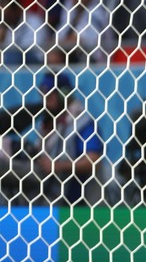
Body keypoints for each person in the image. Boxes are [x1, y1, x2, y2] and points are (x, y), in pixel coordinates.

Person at [24, 73, 103, 206]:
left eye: (49, 97)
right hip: (51, 201)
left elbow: (94, 161)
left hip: (81, 205)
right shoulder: (49, 124)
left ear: (63, 94)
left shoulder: (83, 123)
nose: (45, 103)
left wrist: (57, 166)